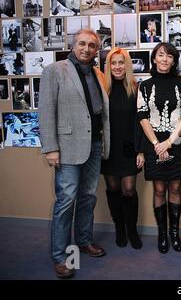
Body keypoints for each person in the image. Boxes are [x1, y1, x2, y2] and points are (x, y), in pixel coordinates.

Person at [38, 29, 110, 279]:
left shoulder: (98, 73)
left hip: (94, 146)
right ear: (73, 45)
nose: (87, 49)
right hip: (67, 148)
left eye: (92, 45)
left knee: (88, 198)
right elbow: (46, 111)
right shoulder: (55, 70)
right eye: (82, 44)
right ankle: (60, 256)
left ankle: (84, 240)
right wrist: (51, 148)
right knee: (66, 201)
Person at [137, 42, 181, 254]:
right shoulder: (145, 86)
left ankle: (174, 234)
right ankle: (161, 234)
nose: (165, 59)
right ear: (154, 58)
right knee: (159, 189)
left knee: (175, 188)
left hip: (175, 141)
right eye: (161, 55)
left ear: (174, 60)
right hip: (153, 142)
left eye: (169, 56)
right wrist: (156, 144)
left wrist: (169, 142)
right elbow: (142, 116)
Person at [101, 48, 145, 250]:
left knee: (128, 190)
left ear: (127, 66)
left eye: (121, 63)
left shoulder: (136, 89)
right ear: (108, 66)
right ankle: (119, 228)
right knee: (113, 189)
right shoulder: (102, 90)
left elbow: (141, 123)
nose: (117, 67)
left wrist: (141, 151)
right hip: (108, 149)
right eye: (113, 63)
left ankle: (132, 230)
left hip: (129, 148)